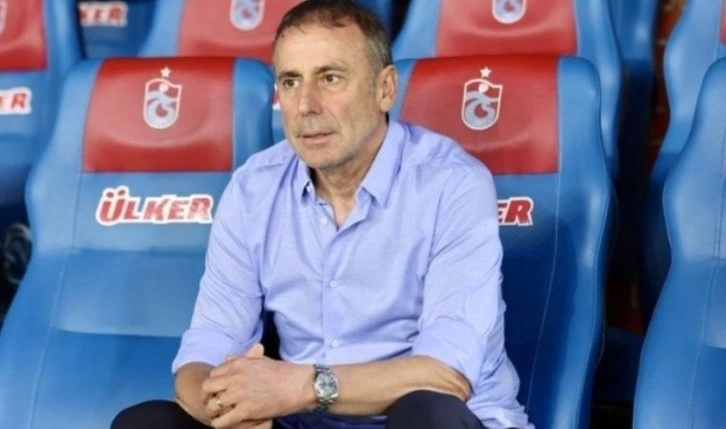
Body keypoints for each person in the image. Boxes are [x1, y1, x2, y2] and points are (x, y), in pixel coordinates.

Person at [112, 1, 532, 428]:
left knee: (425, 416)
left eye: (330, 79)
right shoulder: (253, 187)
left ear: (385, 89)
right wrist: (224, 407)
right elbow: (207, 347)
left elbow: (445, 375)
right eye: (291, 82)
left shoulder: (452, 184)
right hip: (300, 420)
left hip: (423, 418)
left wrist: (301, 386)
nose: (305, 105)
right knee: (146, 423)